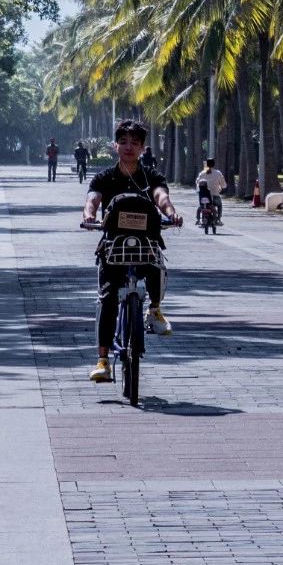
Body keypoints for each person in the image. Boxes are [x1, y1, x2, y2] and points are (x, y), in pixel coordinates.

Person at [81, 118, 181, 382]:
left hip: (146, 244)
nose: (128, 147)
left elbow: (161, 197)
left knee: (158, 266)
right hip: (113, 247)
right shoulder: (105, 177)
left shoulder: (152, 176)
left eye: (134, 143)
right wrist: (89, 215)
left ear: (142, 148)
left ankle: (154, 309)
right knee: (107, 299)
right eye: (123, 142)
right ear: (115, 146)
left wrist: (171, 213)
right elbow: (92, 199)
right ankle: (103, 361)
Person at [195, 157, 226, 223]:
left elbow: (197, 182)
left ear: (206, 164)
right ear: (214, 164)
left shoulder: (202, 173)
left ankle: (198, 219)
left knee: (201, 206)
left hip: (204, 198)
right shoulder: (218, 173)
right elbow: (224, 185)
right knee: (219, 205)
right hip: (215, 198)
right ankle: (219, 219)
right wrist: (222, 187)